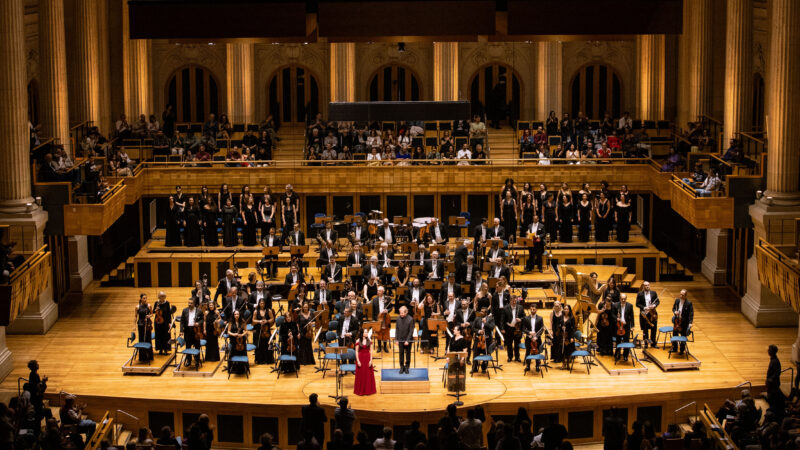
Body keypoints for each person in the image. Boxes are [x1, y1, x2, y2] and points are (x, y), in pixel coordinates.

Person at [635, 281, 659, 348]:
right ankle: (646, 344)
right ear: (643, 286)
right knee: (645, 330)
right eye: (646, 285)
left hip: (652, 313)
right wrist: (644, 307)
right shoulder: (640, 294)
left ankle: (653, 343)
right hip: (644, 314)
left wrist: (654, 305)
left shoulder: (654, 293)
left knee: (653, 328)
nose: (647, 286)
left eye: (648, 285)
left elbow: (658, 301)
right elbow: (637, 304)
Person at [522, 302, 545, 372]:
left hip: (537, 338)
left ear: (536, 310)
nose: (532, 311)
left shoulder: (540, 318)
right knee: (528, 352)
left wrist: (536, 337)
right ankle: (528, 366)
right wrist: (529, 332)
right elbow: (523, 329)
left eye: (534, 309)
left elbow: (541, 329)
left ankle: (537, 366)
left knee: (537, 352)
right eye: (531, 309)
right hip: (529, 338)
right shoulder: (526, 318)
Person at [353, 329, 376, 396]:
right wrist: (358, 361)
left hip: (367, 359)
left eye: (367, 332)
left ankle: (368, 390)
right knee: (361, 375)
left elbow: (371, 351)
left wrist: (371, 360)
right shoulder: (358, 341)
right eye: (365, 332)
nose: (367, 333)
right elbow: (356, 351)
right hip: (360, 359)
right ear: (362, 333)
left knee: (368, 375)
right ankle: (360, 390)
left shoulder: (369, 340)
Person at [470, 309, 494, 374]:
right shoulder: (477, 319)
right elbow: (473, 328)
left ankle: (484, 368)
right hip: (478, 339)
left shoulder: (490, 319)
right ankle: (474, 368)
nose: (481, 312)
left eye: (482, 312)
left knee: (486, 353)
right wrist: (479, 331)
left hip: (487, 340)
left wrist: (486, 323)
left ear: (486, 313)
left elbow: (492, 327)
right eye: (480, 311)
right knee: (475, 354)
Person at [181, 298, 203, 366]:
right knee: (188, 346)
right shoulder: (184, 310)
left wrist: (198, 323)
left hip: (196, 331)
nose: (189, 304)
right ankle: (189, 361)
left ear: (194, 304)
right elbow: (182, 321)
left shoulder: (199, 311)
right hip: (187, 331)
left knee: (197, 346)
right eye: (189, 303)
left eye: (191, 303)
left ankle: (197, 361)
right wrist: (181, 330)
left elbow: (202, 320)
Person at [671, 289, 694, 354]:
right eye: (680, 294)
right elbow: (673, 308)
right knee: (674, 334)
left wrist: (690, 323)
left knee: (683, 336)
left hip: (684, 322)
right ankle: (675, 348)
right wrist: (675, 312)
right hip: (677, 321)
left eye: (682, 295)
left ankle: (682, 350)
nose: (681, 296)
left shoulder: (689, 303)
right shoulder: (677, 300)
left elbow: (691, 314)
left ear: (685, 296)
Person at [504, 296, 524, 363]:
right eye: (513, 301)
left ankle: (517, 357)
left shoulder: (520, 307)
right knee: (509, 344)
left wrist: (520, 319)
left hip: (517, 329)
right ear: (510, 301)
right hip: (508, 328)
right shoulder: (505, 308)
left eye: (515, 301)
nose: (514, 302)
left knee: (517, 343)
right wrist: (502, 328)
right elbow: (502, 319)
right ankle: (510, 357)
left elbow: (524, 317)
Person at [614, 294, 634, 362]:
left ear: (626, 299)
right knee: (618, 341)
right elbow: (612, 314)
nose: (623, 300)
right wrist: (616, 318)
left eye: (624, 299)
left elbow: (632, 316)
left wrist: (632, 326)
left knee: (626, 340)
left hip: (626, 326)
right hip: (618, 326)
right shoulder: (615, 305)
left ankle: (625, 355)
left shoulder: (630, 306)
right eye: (622, 299)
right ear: (619, 299)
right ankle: (617, 354)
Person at [395, 306, 415, 374]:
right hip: (400, 339)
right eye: (400, 313)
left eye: (402, 313)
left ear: (406, 312)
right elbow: (397, 329)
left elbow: (411, 331)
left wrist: (407, 340)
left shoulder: (411, 319)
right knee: (401, 353)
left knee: (408, 353)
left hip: (407, 340)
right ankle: (401, 367)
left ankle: (407, 367)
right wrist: (396, 339)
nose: (401, 314)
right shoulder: (398, 319)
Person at [135, 293, 154, 362]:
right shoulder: (137, 307)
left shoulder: (149, 306)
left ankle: (149, 356)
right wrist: (134, 326)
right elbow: (135, 317)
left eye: (146, 298)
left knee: (148, 339)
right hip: (140, 324)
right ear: (141, 299)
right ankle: (142, 357)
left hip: (147, 324)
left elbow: (152, 314)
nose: (145, 299)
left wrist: (149, 316)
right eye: (144, 298)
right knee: (141, 339)